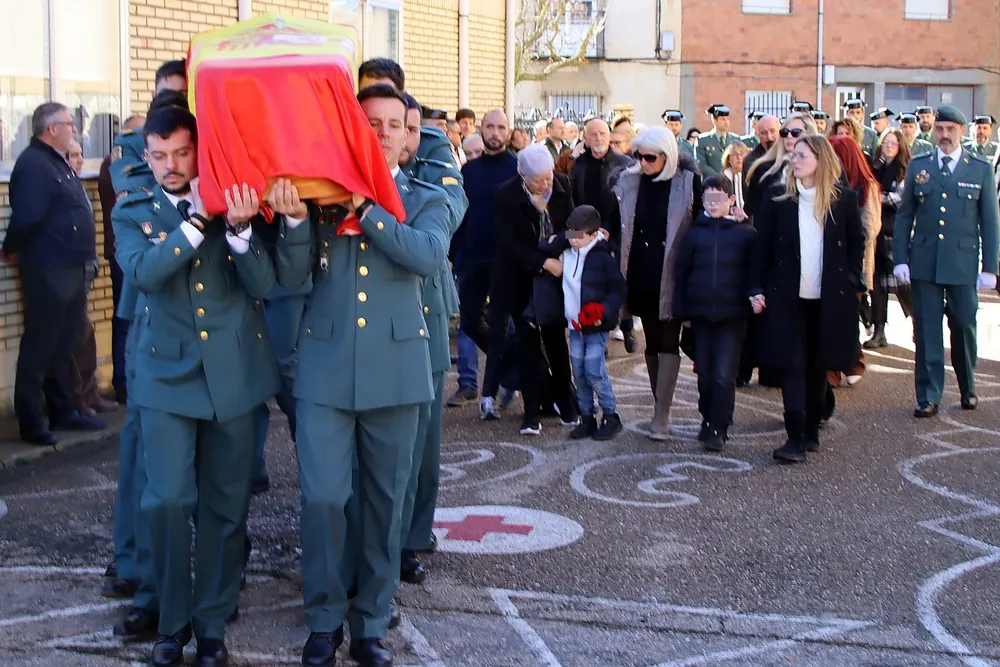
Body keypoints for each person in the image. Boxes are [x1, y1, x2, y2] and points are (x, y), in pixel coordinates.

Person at [275, 83, 450, 667]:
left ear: (408, 137)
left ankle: (371, 619)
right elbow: (292, 277)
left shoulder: (425, 195)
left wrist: (365, 208)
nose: (380, 133)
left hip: (397, 373)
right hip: (325, 372)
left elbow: (426, 255)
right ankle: (324, 618)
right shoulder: (319, 196)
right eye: (367, 123)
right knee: (324, 499)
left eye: (391, 125)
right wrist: (299, 221)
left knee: (385, 505)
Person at [112, 106, 280, 667]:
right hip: (166, 376)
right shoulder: (135, 208)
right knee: (165, 501)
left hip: (233, 374)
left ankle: (210, 628)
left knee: (225, 509)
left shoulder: (236, 199)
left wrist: (237, 230)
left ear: (199, 149)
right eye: (158, 156)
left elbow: (265, 281)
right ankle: (171, 620)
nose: (169, 166)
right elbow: (145, 274)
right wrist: (195, 223)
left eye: (181, 153)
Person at [749, 134, 865, 463]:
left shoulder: (843, 200)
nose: (794, 160)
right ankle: (795, 436)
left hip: (828, 299)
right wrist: (756, 286)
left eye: (802, 155)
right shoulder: (778, 198)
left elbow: (856, 242)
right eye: (793, 155)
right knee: (792, 364)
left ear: (821, 160)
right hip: (787, 296)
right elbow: (763, 247)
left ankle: (811, 431)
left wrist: (851, 278)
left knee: (818, 366)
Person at [5, 102, 105, 445]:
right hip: (49, 269)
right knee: (40, 347)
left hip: (72, 266)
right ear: (51, 129)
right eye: (69, 124)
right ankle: (32, 422)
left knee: (64, 345)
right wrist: (10, 248)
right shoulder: (34, 165)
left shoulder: (57, 162)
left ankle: (64, 411)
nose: (74, 130)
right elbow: (26, 218)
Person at [398, 93, 467, 585]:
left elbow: (451, 210)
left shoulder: (435, 150)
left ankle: (412, 534)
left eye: (407, 127)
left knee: (422, 436)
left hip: (425, 301)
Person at [892, 105, 1000, 418]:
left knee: (964, 325)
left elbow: (990, 222)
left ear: (962, 132)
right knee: (926, 329)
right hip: (924, 261)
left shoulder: (978, 168)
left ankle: (967, 386)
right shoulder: (920, 165)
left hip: (963, 262)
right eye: (940, 129)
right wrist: (901, 258)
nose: (944, 135)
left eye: (951, 129)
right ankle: (928, 394)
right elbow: (905, 215)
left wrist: (990, 267)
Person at [612, 126, 702, 440]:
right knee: (652, 339)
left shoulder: (688, 183)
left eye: (650, 157)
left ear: (668, 156)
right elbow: (614, 222)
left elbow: (701, 224)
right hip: (640, 272)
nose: (644, 161)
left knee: (668, 339)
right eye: (639, 155)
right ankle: (658, 406)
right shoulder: (628, 181)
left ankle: (661, 415)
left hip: (674, 274)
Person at [494, 144, 578, 435]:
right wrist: (543, 261)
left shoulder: (562, 184)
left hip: (554, 280)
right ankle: (531, 413)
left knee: (556, 342)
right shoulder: (506, 194)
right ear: (522, 175)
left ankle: (566, 404)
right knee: (528, 347)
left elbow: (571, 224)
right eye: (538, 180)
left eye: (549, 177)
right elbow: (510, 243)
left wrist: (562, 253)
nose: (546, 184)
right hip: (522, 278)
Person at [673, 174, 755, 451]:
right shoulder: (695, 233)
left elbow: (754, 271)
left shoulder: (745, 233)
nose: (713, 204)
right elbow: (681, 273)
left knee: (724, 374)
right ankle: (707, 418)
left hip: (733, 315)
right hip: (701, 315)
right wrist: (682, 309)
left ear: (731, 200)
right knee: (705, 374)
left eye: (719, 198)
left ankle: (720, 424)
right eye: (708, 199)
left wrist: (754, 298)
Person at [535, 205, 626, 440]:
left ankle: (610, 415)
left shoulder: (603, 258)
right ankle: (587, 417)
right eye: (570, 233)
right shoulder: (567, 250)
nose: (574, 240)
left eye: (579, 235)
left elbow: (618, 289)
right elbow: (542, 248)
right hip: (575, 325)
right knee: (579, 371)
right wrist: (555, 241)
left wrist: (603, 311)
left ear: (593, 235)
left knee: (594, 369)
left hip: (596, 326)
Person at [450, 109, 519, 415]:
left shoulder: (518, 168)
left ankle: (490, 393)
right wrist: (453, 254)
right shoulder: (469, 171)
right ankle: (510, 367)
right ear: (480, 129)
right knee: (468, 321)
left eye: (500, 127)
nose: (494, 132)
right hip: (473, 257)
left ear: (509, 132)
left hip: (506, 260)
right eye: (489, 127)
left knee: (500, 327)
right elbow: (459, 214)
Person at [98, 113, 145, 405]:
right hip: (126, 250)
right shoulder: (118, 164)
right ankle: (124, 383)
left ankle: (127, 380)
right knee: (126, 316)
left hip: (125, 249)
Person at [828, 135, 882, 388]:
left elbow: (870, 227)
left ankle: (852, 361)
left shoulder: (866, 185)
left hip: (856, 263)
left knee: (850, 315)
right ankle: (837, 366)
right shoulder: (828, 183)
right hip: (830, 263)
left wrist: (843, 237)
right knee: (832, 317)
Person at [866, 128, 913, 349]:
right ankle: (879, 330)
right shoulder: (874, 167)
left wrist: (876, 197)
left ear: (900, 146)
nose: (889, 146)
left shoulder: (905, 169)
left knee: (904, 283)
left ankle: (917, 323)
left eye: (893, 143)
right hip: (876, 230)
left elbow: (900, 199)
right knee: (877, 284)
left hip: (896, 231)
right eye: (886, 142)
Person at [746, 112, 817, 222]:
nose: (789, 136)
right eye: (785, 132)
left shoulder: (826, 166)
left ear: (810, 134)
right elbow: (755, 210)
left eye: (796, 132)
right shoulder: (764, 170)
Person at [697, 104, 742, 177]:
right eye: (723, 119)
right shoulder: (702, 140)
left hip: (731, 181)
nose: (726, 122)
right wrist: (718, 177)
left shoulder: (735, 139)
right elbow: (701, 164)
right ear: (714, 121)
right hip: (711, 183)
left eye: (727, 119)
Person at [721, 141, 750, 211]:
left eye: (742, 154)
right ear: (728, 159)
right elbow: (709, 199)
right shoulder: (720, 180)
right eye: (734, 154)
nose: (739, 157)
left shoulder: (752, 177)